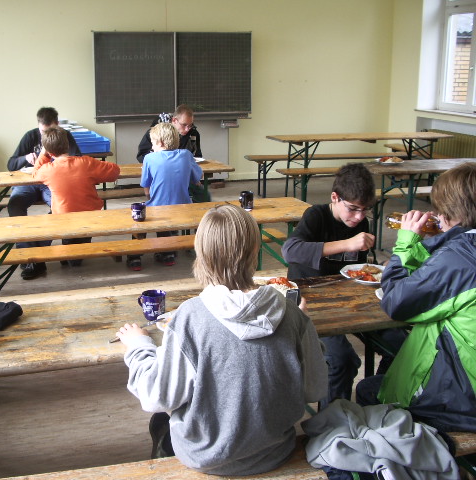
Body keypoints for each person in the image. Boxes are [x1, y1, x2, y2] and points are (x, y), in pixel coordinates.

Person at [115, 204, 328, 476]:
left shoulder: (190, 318)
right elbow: (315, 388)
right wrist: (303, 323)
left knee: (160, 418)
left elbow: (156, 397)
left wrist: (138, 347)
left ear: (201, 254)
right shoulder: (290, 312)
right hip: (275, 451)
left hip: (206, 457)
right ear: (255, 251)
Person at [356, 162, 476, 433]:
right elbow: (438, 270)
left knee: (368, 390)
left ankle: (387, 451)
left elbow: (396, 302)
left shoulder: (460, 258)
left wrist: (405, 243)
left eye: (440, 210)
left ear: (451, 213)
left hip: (462, 399)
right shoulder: (462, 250)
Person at [281, 163, 406, 408]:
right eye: (353, 209)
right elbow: (290, 251)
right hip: (311, 298)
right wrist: (347, 244)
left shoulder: (360, 222)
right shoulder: (316, 216)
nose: (359, 217)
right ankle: (333, 421)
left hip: (350, 297)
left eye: (365, 210)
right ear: (334, 198)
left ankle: (376, 402)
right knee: (343, 359)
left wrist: (382, 266)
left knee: (402, 345)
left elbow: (357, 268)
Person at [7, 107, 82, 280]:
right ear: (38, 126)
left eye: (49, 131)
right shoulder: (30, 136)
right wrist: (25, 158)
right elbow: (11, 164)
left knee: (61, 207)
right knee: (15, 205)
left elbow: (77, 160)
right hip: (30, 182)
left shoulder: (64, 136)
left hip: (52, 182)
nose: (45, 136)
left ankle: (38, 255)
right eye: (43, 132)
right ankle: (28, 255)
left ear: (57, 125)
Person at [32, 127, 120, 261]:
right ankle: (76, 253)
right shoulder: (87, 162)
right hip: (91, 215)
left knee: (69, 243)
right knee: (79, 246)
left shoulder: (48, 170)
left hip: (63, 216)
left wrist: (44, 155)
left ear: (49, 152)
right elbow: (114, 172)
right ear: (68, 145)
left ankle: (71, 253)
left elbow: (35, 174)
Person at [126, 122, 203, 271]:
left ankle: (134, 256)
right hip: (184, 208)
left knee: (141, 215)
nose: (152, 146)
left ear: (160, 143)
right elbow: (197, 178)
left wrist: (150, 196)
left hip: (160, 209)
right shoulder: (186, 155)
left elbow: (146, 186)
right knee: (167, 212)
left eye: (153, 143)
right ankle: (168, 254)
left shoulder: (149, 158)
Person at [136, 104, 208, 204]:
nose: (187, 129)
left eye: (190, 125)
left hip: (186, 176)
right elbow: (141, 154)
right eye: (184, 125)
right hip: (170, 177)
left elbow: (198, 155)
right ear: (174, 120)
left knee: (203, 194)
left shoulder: (193, 134)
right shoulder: (156, 134)